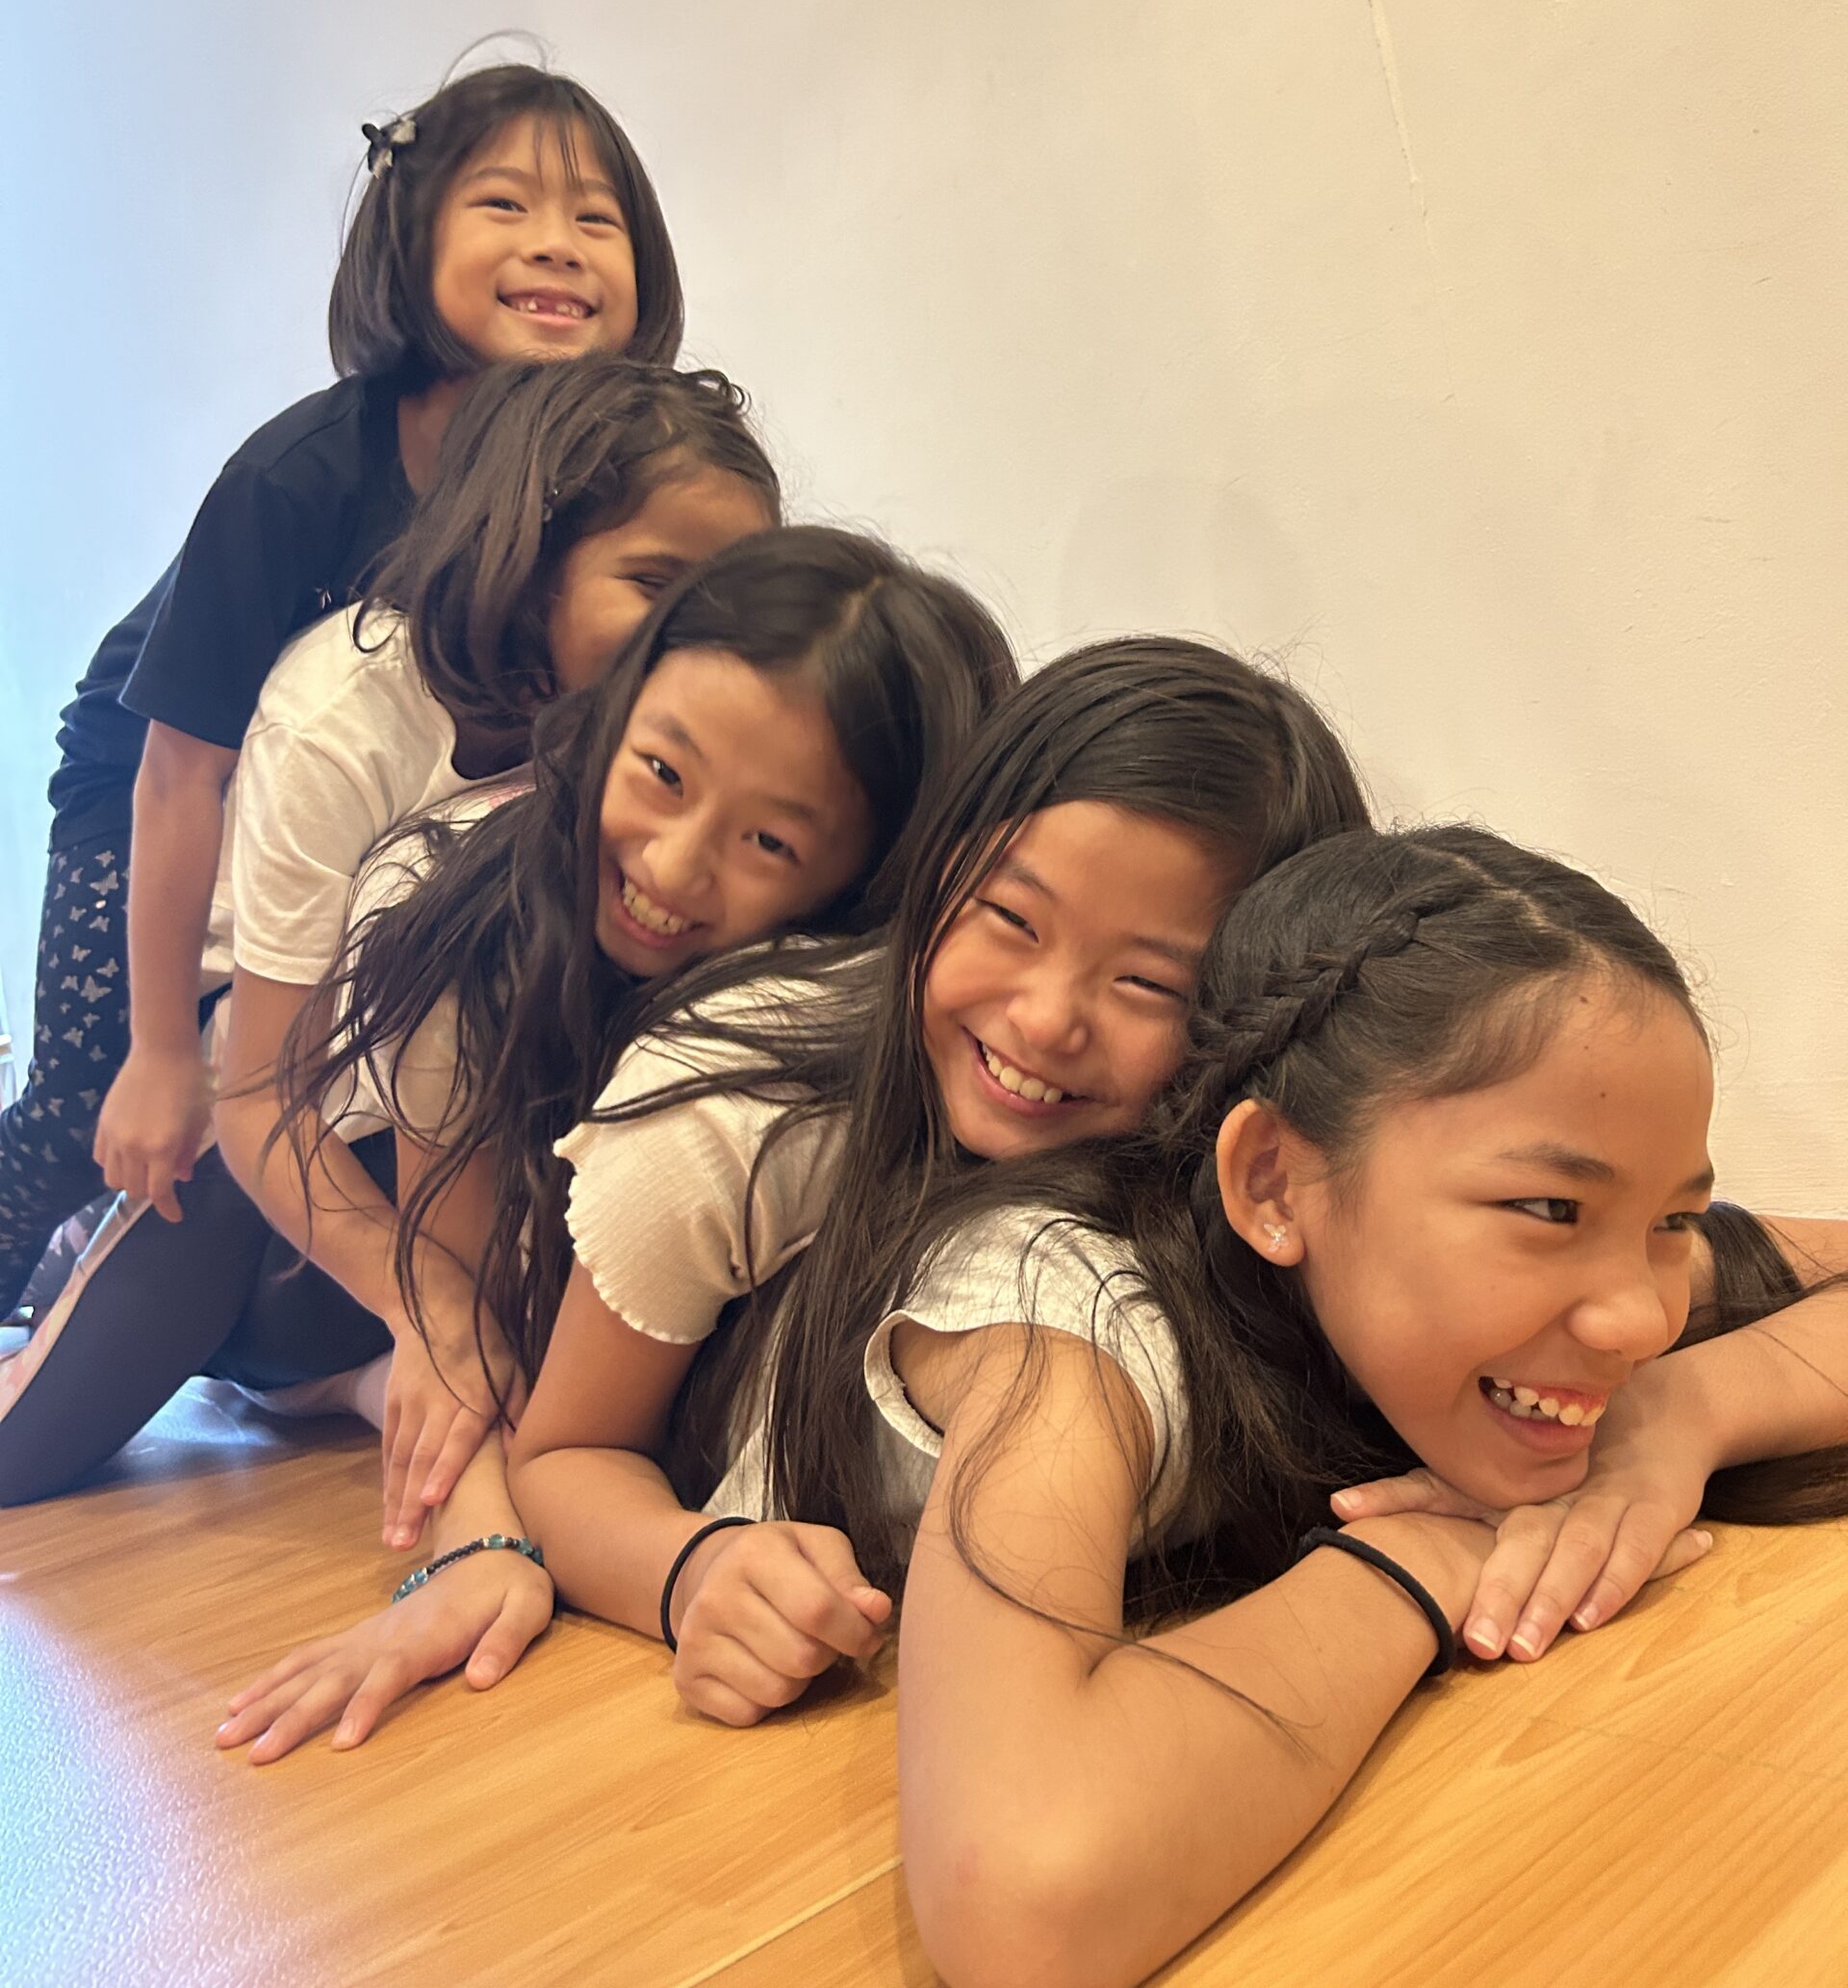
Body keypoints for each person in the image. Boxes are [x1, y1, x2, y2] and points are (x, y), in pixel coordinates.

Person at [216, 636, 1369, 1760]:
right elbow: (567, 1455)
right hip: (416, 1252)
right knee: (254, 1344)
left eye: (1146, 982)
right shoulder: (731, 1116)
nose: (1047, 1016)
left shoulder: (1255, 1169)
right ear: (938, 877)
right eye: (1011, 920)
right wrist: (689, 1566)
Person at [855, 825, 1847, 1988]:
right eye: (1549, 1209)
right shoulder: (1069, 1315)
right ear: (1275, 1182)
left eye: (1672, 1221)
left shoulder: (1591, 1282)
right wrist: (1411, 1565)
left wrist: (1678, 1415)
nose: (1637, 1315)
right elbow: (1020, 1904)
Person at [0, 355, 775, 1504]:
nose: (693, 639)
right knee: (26, 1458)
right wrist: (433, 1306)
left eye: (728, 600)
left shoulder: (662, 735)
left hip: (444, 1110)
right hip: (268, 1098)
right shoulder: (344, 713)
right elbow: (263, 1092)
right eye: (653, 582)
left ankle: (330, 1380)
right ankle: (124, 1280)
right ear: (533, 554)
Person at [0, 61, 682, 1319]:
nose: (559, 247)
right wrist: (158, 1052)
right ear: (407, 239)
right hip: (150, 777)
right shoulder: (303, 476)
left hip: (339, 789)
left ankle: (145, 1298)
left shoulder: (604, 473)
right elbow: (178, 769)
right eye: (505, 207)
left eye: (598, 220)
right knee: (91, 1100)